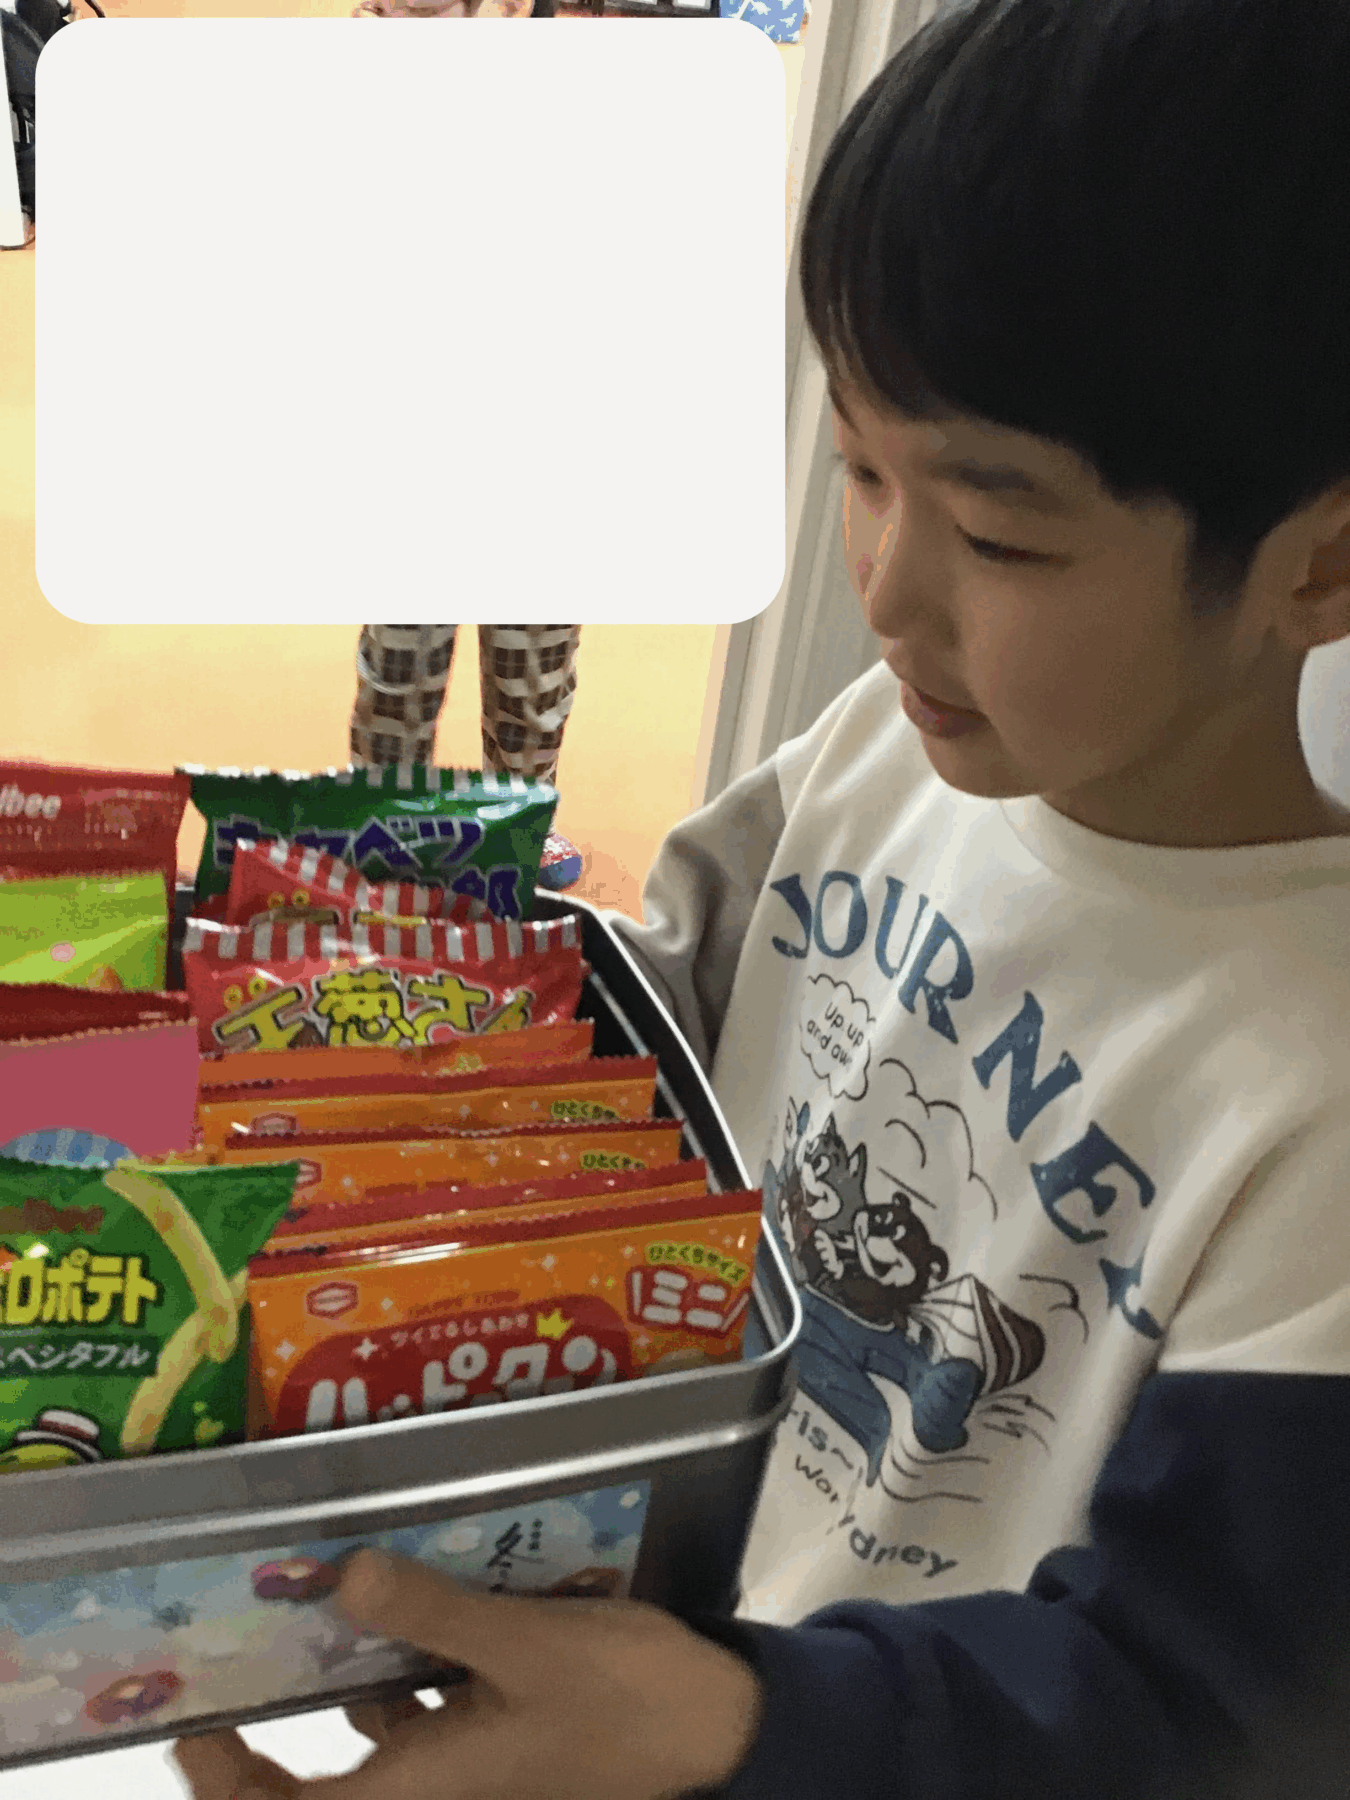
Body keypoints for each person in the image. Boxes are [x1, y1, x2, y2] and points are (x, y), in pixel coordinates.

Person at [173, 1, 1350, 1796]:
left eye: (998, 533)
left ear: (1318, 562)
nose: (881, 585)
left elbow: (1199, 1705)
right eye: (861, 470)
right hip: (664, 1647)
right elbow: (626, 1028)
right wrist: (198, 1061)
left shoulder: (1312, 1083)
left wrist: (727, 1726)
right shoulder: (884, 746)